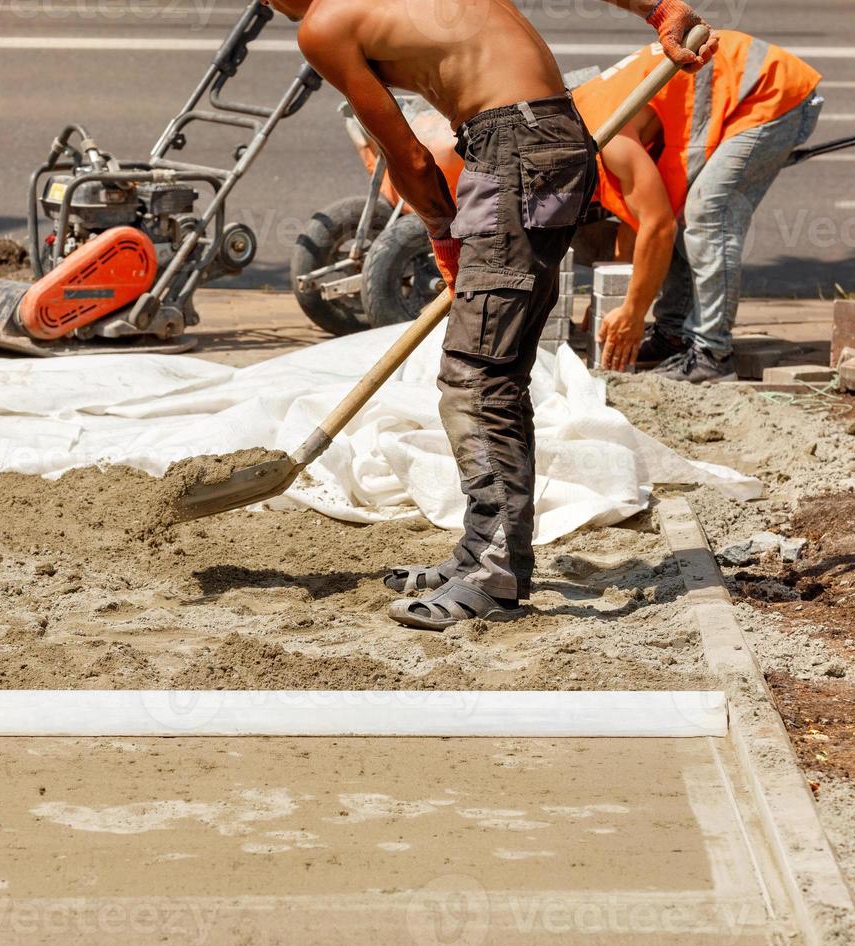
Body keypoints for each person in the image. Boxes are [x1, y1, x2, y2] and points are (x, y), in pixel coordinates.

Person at [263, 0, 717, 629]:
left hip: (515, 152)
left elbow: (412, 159)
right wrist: (657, 8)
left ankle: (492, 572)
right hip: (555, 137)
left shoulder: (324, 26)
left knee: (475, 380)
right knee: (493, 372)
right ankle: (487, 553)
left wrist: (446, 239)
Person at [574, 31, 824, 382]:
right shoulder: (577, 124)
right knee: (678, 207)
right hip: (727, 89)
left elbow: (656, 228)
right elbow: (638, 228)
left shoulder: (605, 137)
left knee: (708, 214)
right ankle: (674, 334)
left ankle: (711, 353)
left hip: (767, 89)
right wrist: (616, 303)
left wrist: (632, 311)